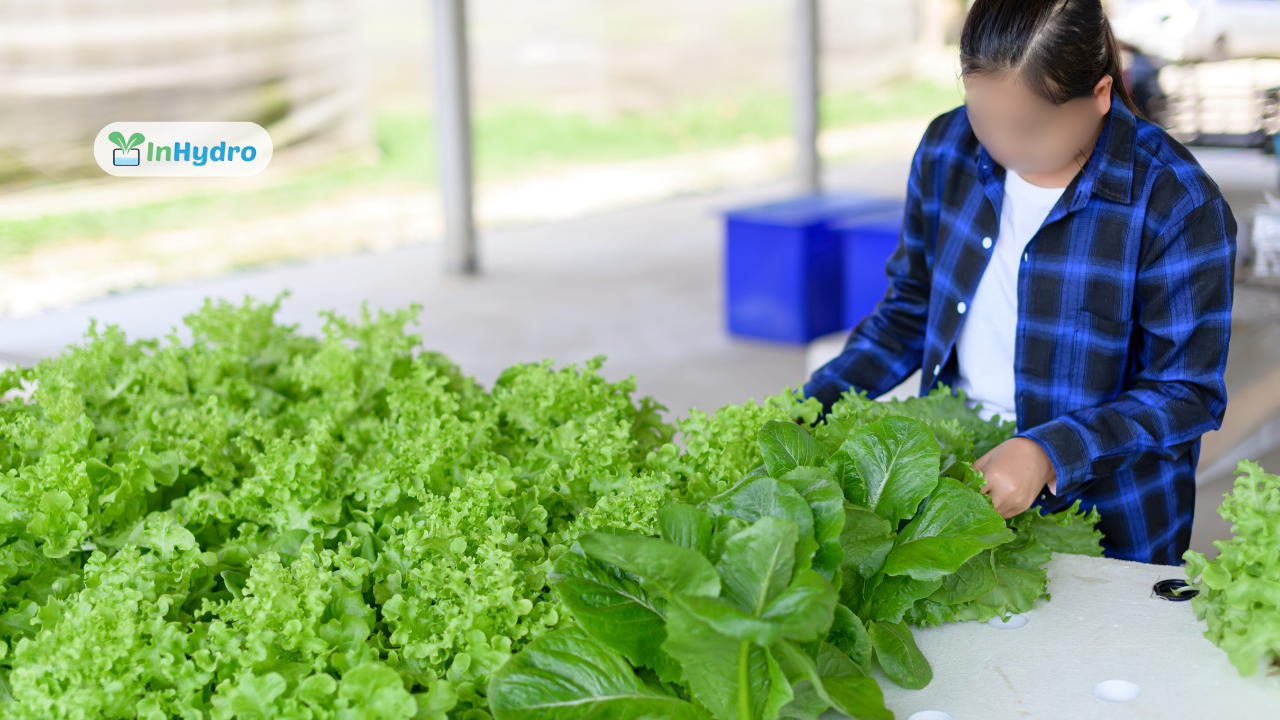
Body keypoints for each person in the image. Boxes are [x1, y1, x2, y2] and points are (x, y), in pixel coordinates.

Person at [803, 0, 1236, 566]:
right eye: (983, 116)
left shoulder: (1175, 203)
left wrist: (1047, 453)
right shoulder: (947, 148)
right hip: (956, 486)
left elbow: (1187, 393)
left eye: (1028, 128)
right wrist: (813, 403)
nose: (1000, 145)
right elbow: (910, 309)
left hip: (1113, 520)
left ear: (1100, 96)